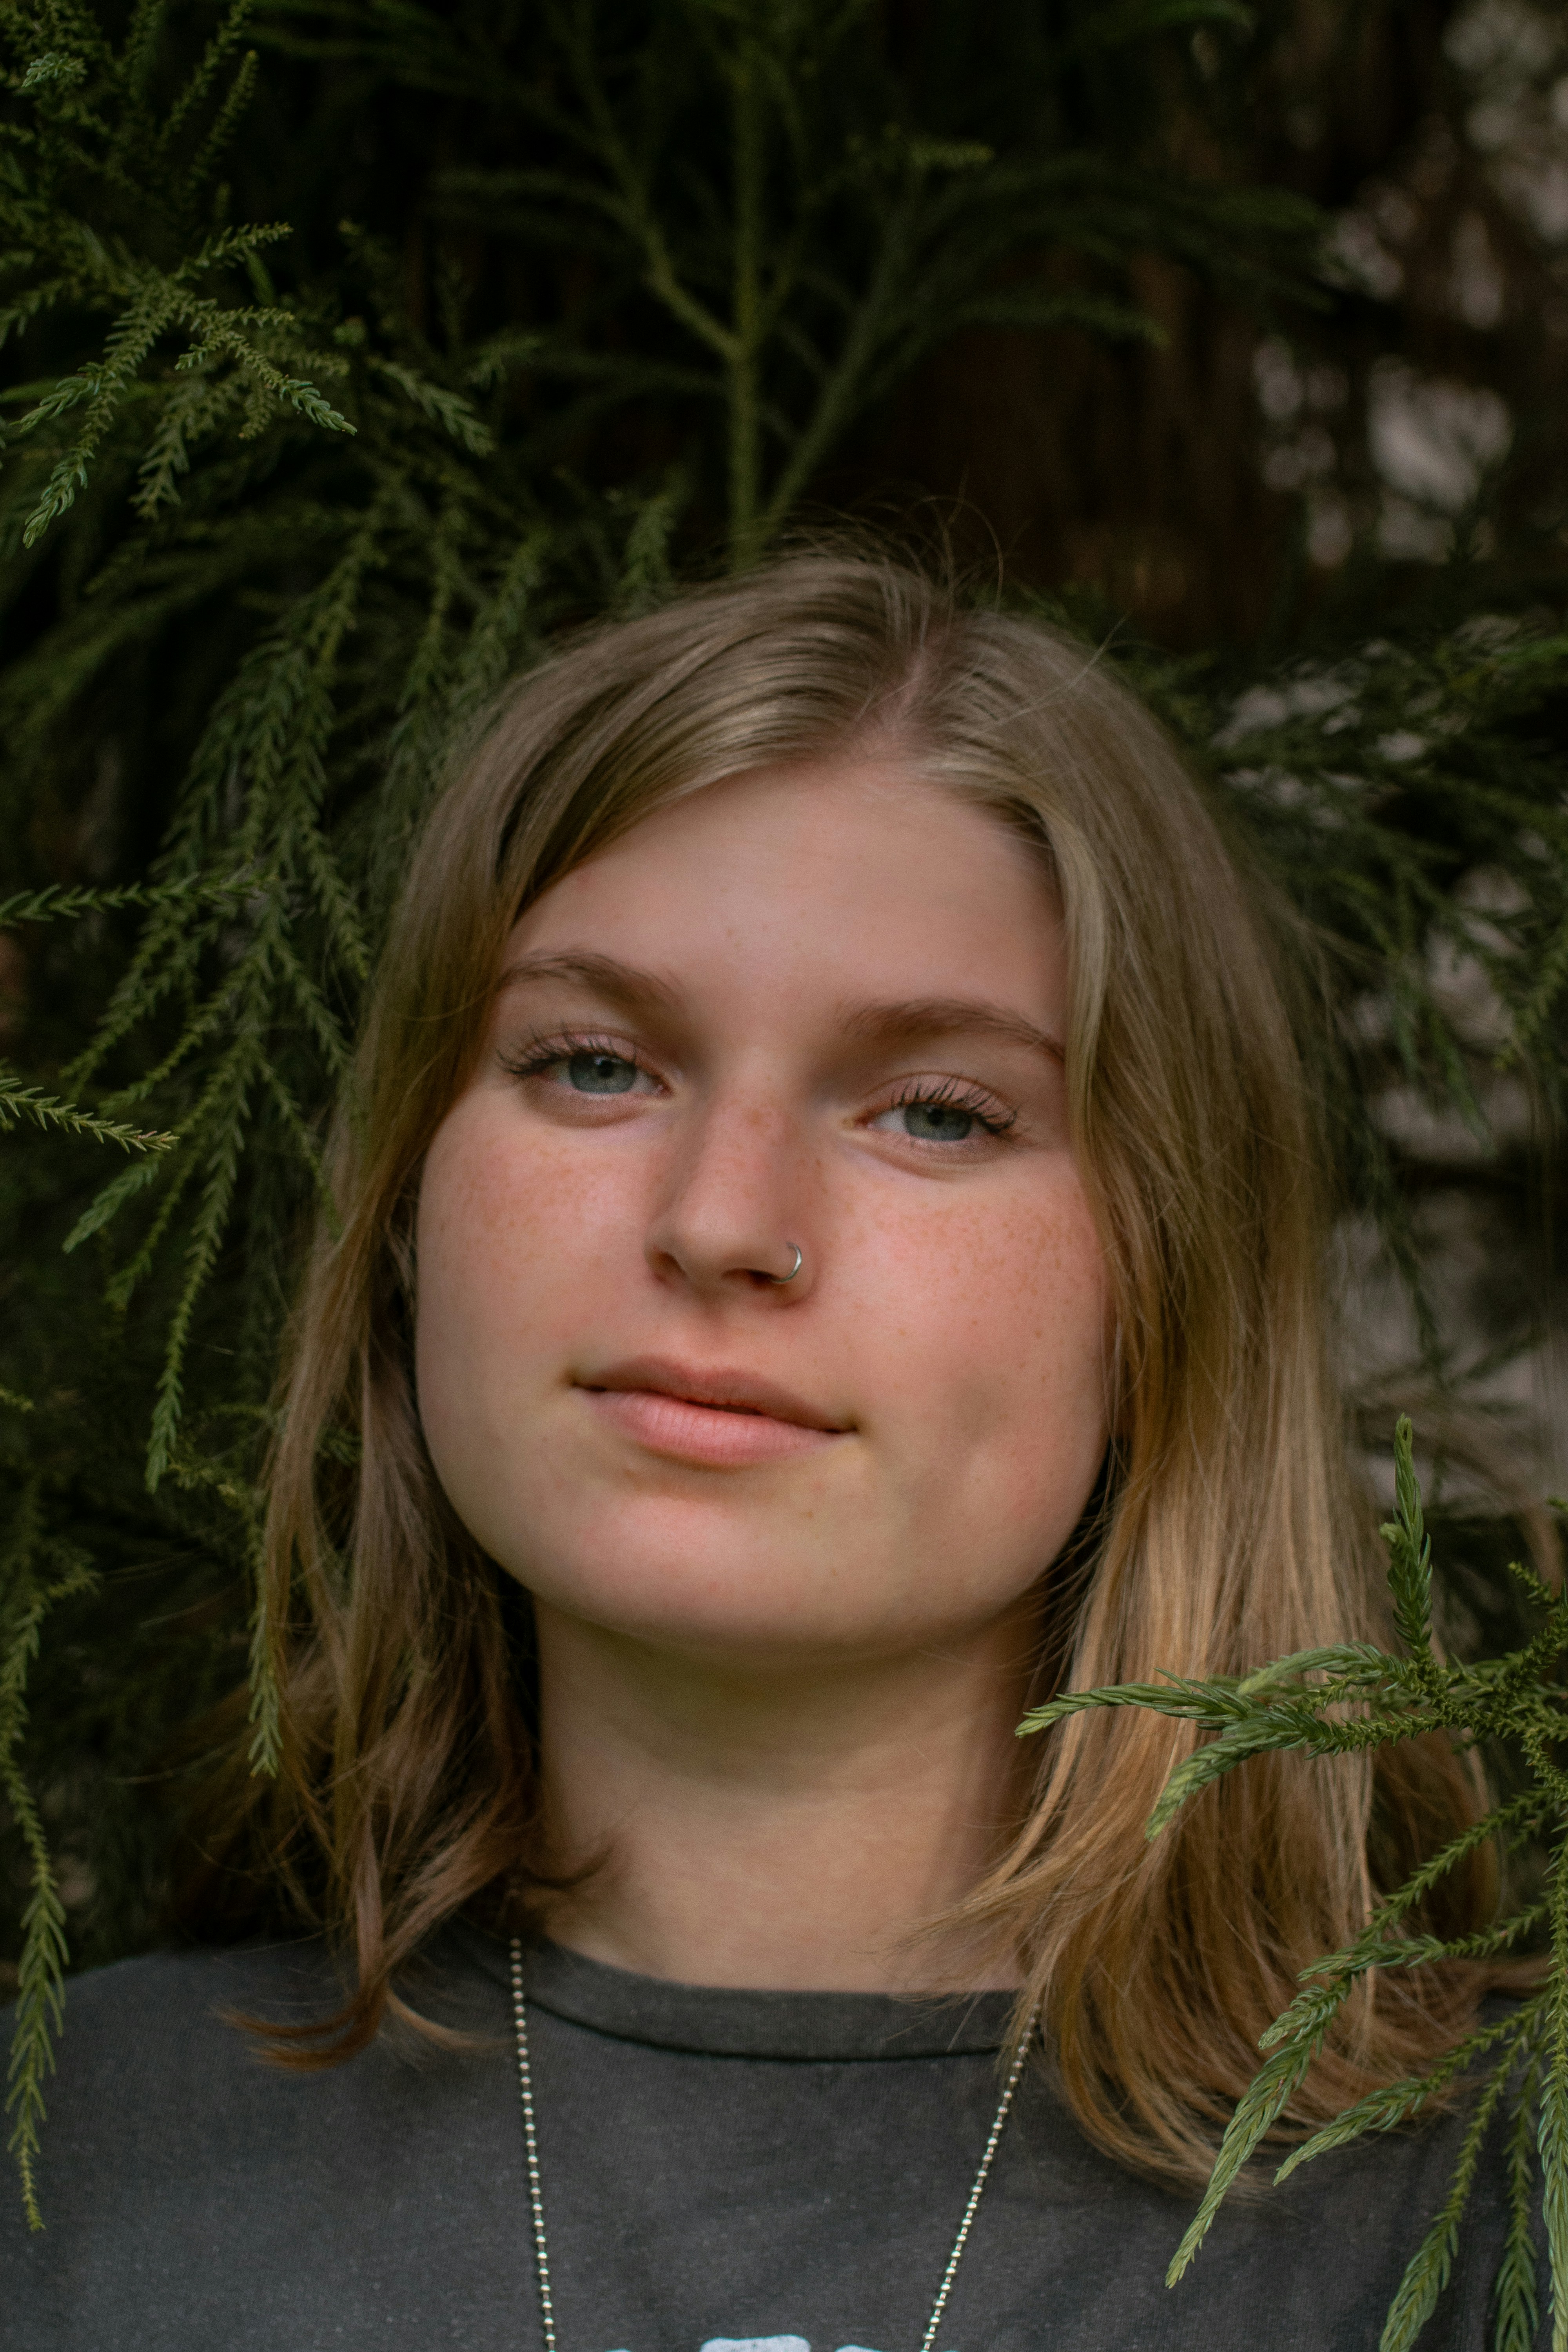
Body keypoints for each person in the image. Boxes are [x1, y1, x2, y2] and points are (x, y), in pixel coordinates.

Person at [3, 550, 1532, 2349]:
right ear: (410, 1192)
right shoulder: (69, 2170)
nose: (723, 1219)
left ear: (1169, 1281)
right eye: (591, 1064)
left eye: (937, 1111)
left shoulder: (1493, 2216)